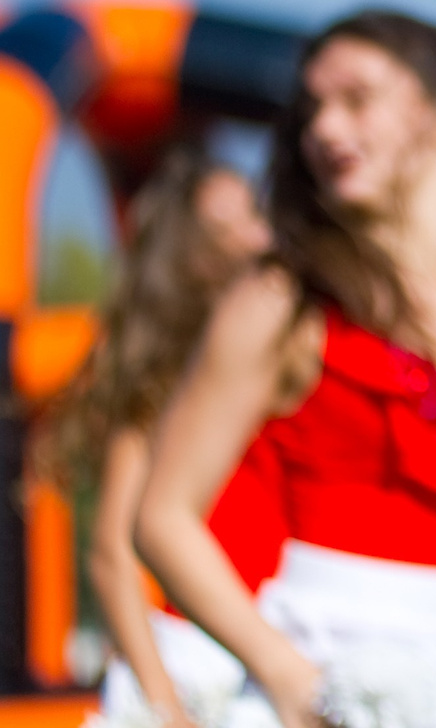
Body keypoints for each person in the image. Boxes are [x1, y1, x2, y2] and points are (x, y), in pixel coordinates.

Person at [137, 10, 436, 728]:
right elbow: (163, 515)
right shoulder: (282, 296)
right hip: (330, 650)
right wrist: (282, 671)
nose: (325, 130)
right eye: (312, 110)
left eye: (357, 100)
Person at [45, 148, 278, 728]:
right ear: (188, 256)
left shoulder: (285, 349)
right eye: (224, 229)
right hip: (202, 657)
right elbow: (112, 551)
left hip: (282, 632)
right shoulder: (173, 374)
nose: (256, 238)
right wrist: (163, 702)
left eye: (256, 214)